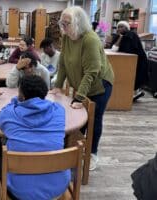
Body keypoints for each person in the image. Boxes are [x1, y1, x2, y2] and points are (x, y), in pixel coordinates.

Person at [53, 6, 114, 170]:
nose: (63, 27)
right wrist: (58, 86)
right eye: (62, 23)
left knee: (94, 119)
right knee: (80, 119)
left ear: (78, 23)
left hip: (99, 85)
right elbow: (63, 62)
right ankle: (76, 148)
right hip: (82, 84)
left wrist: (79, 97)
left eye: (67, 23)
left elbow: (92, 72)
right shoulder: (66, 37)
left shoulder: (90, 39)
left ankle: (92, 153)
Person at [0, 75, 70, 200]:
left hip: (20, 190)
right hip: (57, 187)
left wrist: (15, 101)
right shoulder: (58, 110)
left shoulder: (9, 114)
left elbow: (0, 116)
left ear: (22, 95)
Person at [110, 21, 148, 101]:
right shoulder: (118, 36)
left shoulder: (132, 35)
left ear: (127, 28)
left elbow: (130, 49)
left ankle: (132, 94)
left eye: (122, 26)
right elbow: (113, 49)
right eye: (118, 27)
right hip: (127, 60)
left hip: (138, 60)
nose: (120, 28)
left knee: (134, 78)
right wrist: (120, 37)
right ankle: (130, 94)